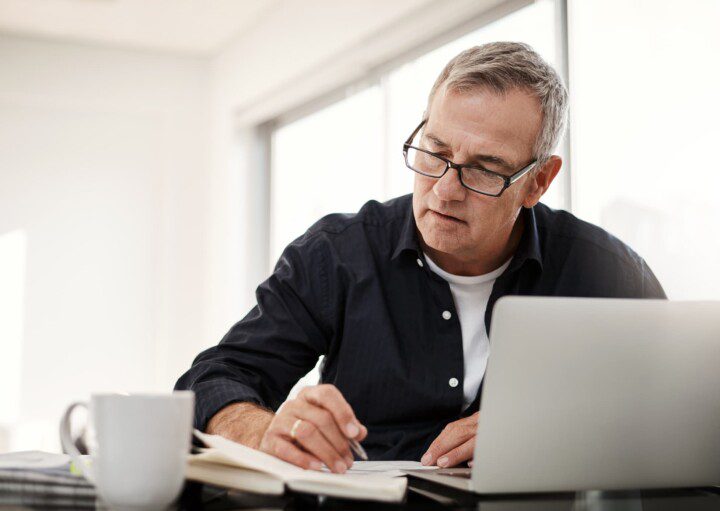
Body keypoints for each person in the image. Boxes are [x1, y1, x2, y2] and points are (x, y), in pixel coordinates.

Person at [175, 41, 665, 475]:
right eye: (435, 152)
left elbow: (687, 411)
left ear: (538, 181)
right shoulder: (338, 254)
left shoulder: (608, 272)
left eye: (485, 169)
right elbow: (212, 379)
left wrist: (551, 438)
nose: (445, 191)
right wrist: (263, 432)